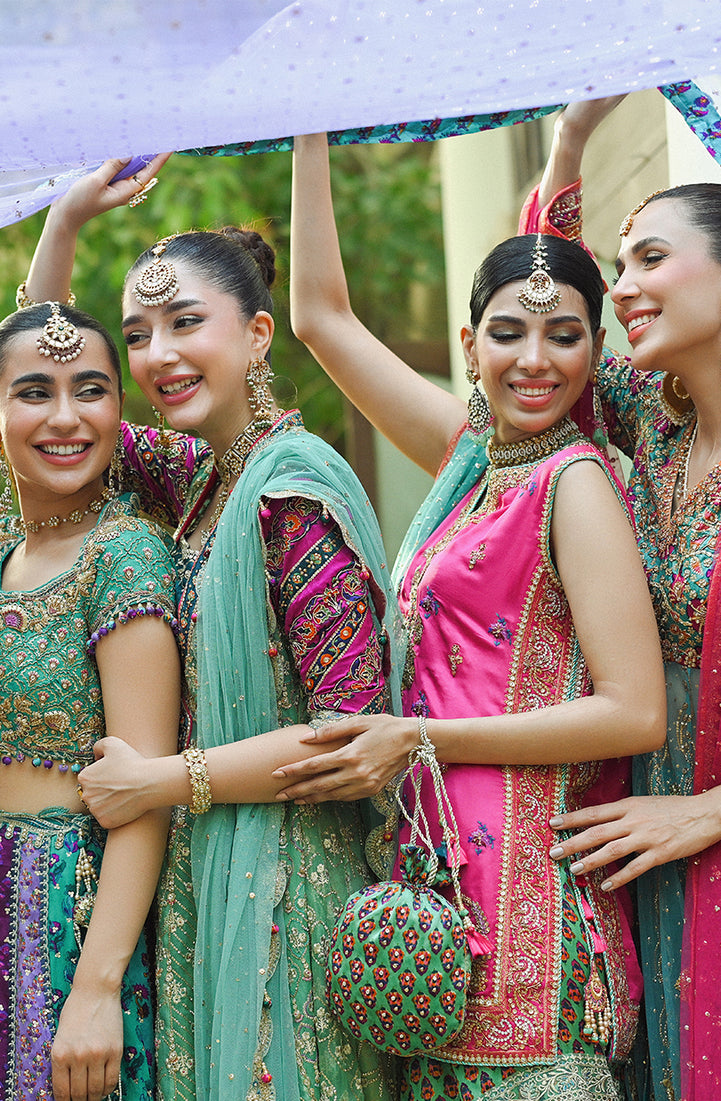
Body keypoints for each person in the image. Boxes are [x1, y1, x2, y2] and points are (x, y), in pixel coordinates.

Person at [278, 131, 667, 1100]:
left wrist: (415, 736)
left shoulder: (574, 482)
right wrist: (309, 119)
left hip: (527, 904)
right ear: (468, 345)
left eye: (564, 335)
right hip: (433, 887)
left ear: (594, 348)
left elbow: (632, 713)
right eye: (506, 333)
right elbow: (321, 318)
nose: (533, 359)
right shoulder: (468, 463)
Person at [22, 162, 405, 1101]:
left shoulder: (290, 490)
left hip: (295, 903)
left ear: (259, 332)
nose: (156, 355)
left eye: (185, 323)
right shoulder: (197, 482)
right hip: (208, 886)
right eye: (143, 333)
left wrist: (162, 779)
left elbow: (352, 738)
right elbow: (43, 382)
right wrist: (65, 219)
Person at [519, 99, 721, 1101]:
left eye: (646, 260)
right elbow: (544, 300)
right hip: (650, 857)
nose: (621, 287)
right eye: (620, 263)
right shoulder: (654, 428)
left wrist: (707, 811)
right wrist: (564, 144)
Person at [0, 302, 179, 1101]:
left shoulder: (125, 554)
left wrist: (98, 986)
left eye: (92, 389)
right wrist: (63, 222)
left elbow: (145, 793)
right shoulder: (10, 546)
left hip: (68, 914)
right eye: (34, 392)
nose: (66, 417)